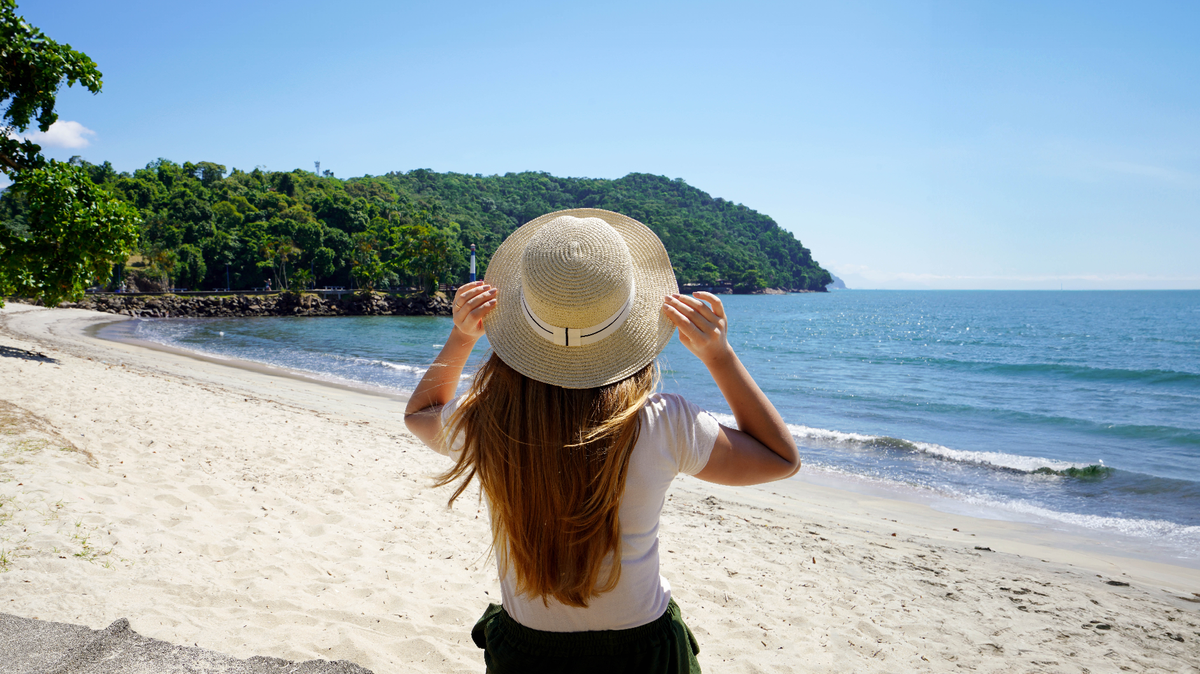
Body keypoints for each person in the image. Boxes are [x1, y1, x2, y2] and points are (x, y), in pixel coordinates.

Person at [404, 208, 800, 673]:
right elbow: (780, 459)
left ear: (521, 318)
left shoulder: (489, 420)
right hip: (641, 654)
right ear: (631, 316)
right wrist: (719, 357)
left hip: (528, 656)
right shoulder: (664, 422)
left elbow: (420, 414)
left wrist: (460, 335)